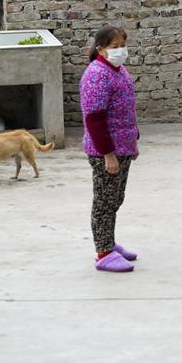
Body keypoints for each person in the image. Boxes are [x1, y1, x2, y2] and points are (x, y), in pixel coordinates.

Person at [79, 24, 140, 273]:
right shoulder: (97, 75)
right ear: (100, 49)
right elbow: (94, 118)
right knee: (104, 202)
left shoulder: (118, 70)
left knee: (116, 198)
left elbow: (127, 108)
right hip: (105, 151)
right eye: (115, 47)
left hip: (122, 147)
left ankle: (110, 243)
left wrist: (133, 140)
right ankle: (103, 252)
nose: (121, 51)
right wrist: (108, 154)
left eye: (123, 45)